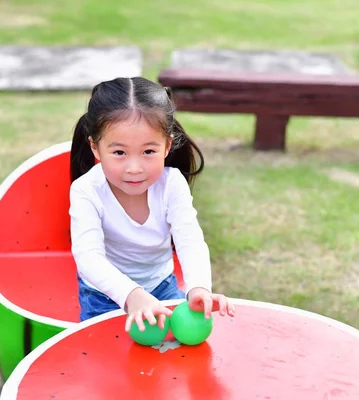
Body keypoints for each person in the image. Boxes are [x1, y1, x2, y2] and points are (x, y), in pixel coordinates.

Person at [69, 76, 235, 333]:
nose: (134, 168)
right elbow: (88, 258)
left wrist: (199, 288)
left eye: (148, 151)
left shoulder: (172, 184)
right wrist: (132, 295)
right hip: (105, 296)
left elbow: (189, 240)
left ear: (167, 145)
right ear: (95, 147)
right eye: (119, 153)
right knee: (107, 362)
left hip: (162, 286)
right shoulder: (86, 190)